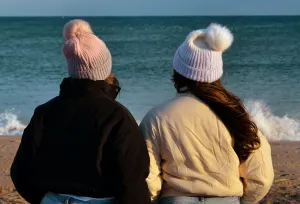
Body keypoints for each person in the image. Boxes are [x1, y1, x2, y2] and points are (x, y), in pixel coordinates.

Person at [11, 19, 150, 204]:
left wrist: (45, 199)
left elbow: (20, 171)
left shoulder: (44, 113)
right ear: (104, 68)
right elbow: (132, 179)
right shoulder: (117, 116)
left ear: (72, 70)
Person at [140, 23, 274, 204]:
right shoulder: (236, 115)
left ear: (178, 72)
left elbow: (147, 179)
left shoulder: (156, 117)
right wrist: (241, 201)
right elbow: (261, 176)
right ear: (217, 73)